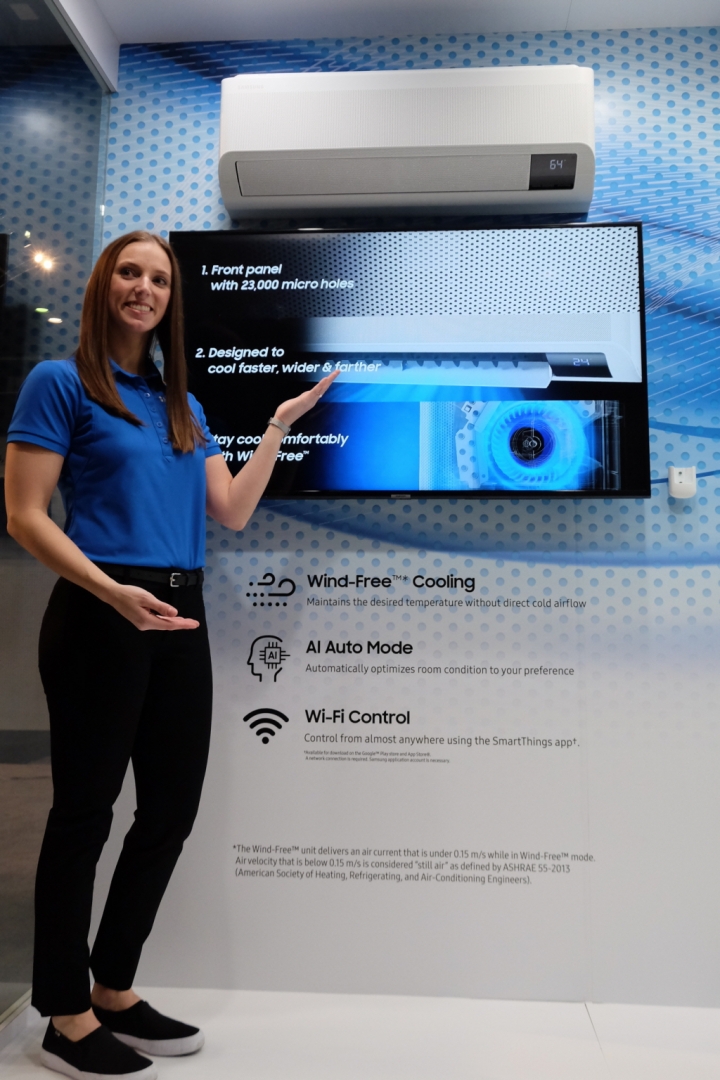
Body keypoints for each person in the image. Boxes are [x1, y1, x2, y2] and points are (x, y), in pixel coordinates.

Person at [4, 230, 337, 1080]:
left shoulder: (181, 402)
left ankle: (113, 988)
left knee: (169, 815)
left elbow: (231, 512)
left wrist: (277, 426)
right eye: (130, 272)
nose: (144, 287)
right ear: (103, 285)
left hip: (183, 615)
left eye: (158, 278)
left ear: (170, 300)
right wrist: (109, 590)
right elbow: (26, 515)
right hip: (100, 611)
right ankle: (63, 1014)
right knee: (85, 815)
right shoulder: (60, 382)